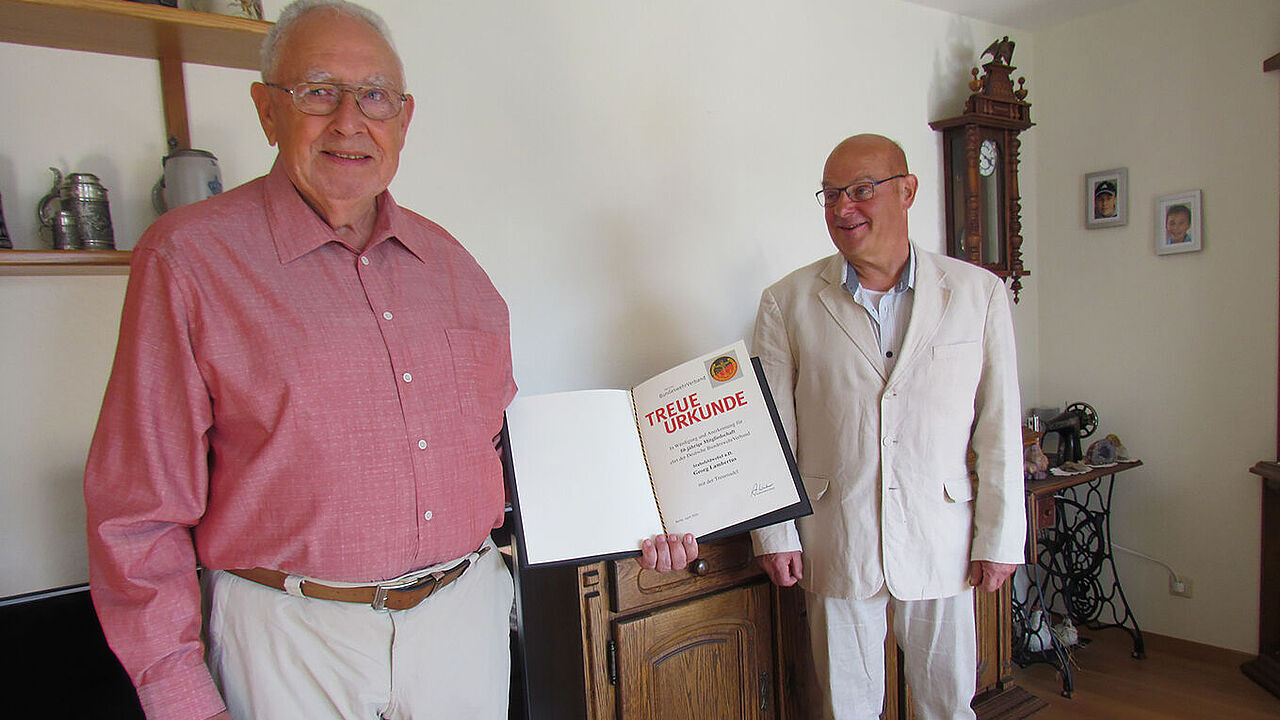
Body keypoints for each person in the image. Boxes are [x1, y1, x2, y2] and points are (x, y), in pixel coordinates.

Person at [83, 2, 692, 719]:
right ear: (266, 110)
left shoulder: (455, 268)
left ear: (403, 119)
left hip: (463, 619)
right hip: (291, 639)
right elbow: (136, 512)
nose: (349, 120)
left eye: (374, 96)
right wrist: (179, 695)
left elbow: (502, 457)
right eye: (317, 91)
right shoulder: (189, 259)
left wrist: (631, 519)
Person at [750, 134, 1025, 719]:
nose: (842, 208)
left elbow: (998, 429)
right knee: (847, 707)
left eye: (861, 190)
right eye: (830, 195)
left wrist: (1000, 538)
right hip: (836, 534)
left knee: (948, 705)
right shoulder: (787, 302)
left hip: (942, 537)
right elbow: (771, 436)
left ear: (907, 191)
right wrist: (775, 534)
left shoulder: (978, 295)